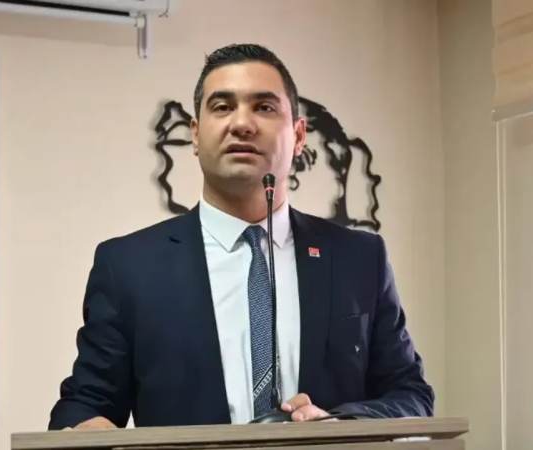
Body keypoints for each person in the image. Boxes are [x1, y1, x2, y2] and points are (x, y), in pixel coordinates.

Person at [48, 43, 433, 430]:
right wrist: (90, 429)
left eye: (264, 107)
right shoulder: (129, 267)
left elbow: (411, 396)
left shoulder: (359, 258)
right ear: (195, 135)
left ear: (299, 136)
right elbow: (83, 404)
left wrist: (339, 421)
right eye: (222, 106)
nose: (242, 124)